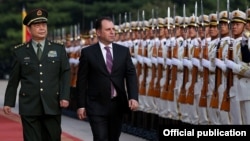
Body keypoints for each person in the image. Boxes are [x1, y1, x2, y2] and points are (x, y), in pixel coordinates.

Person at [3, 8, 71, 141]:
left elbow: (65, 74)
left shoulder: (58, 49)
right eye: (37, 25)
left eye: (44, 25)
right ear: (29, 29)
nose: (42, 28)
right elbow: (14, 79)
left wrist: (65, 96)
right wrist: (8, 102)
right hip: (29, 105)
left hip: (52, 104)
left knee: (53, 137)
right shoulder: (20, 52)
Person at [76, 16, 139, 141]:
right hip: (96, 105)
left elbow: (131, 74)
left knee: (113, 138)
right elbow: (82, 81)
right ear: (98, 32)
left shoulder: (123, 51)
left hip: (117, 104)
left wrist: (133, 97)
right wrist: (81, 105)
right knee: (100, 137)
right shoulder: (88, 53)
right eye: (108, 29)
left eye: (113, 29)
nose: (112, 32)